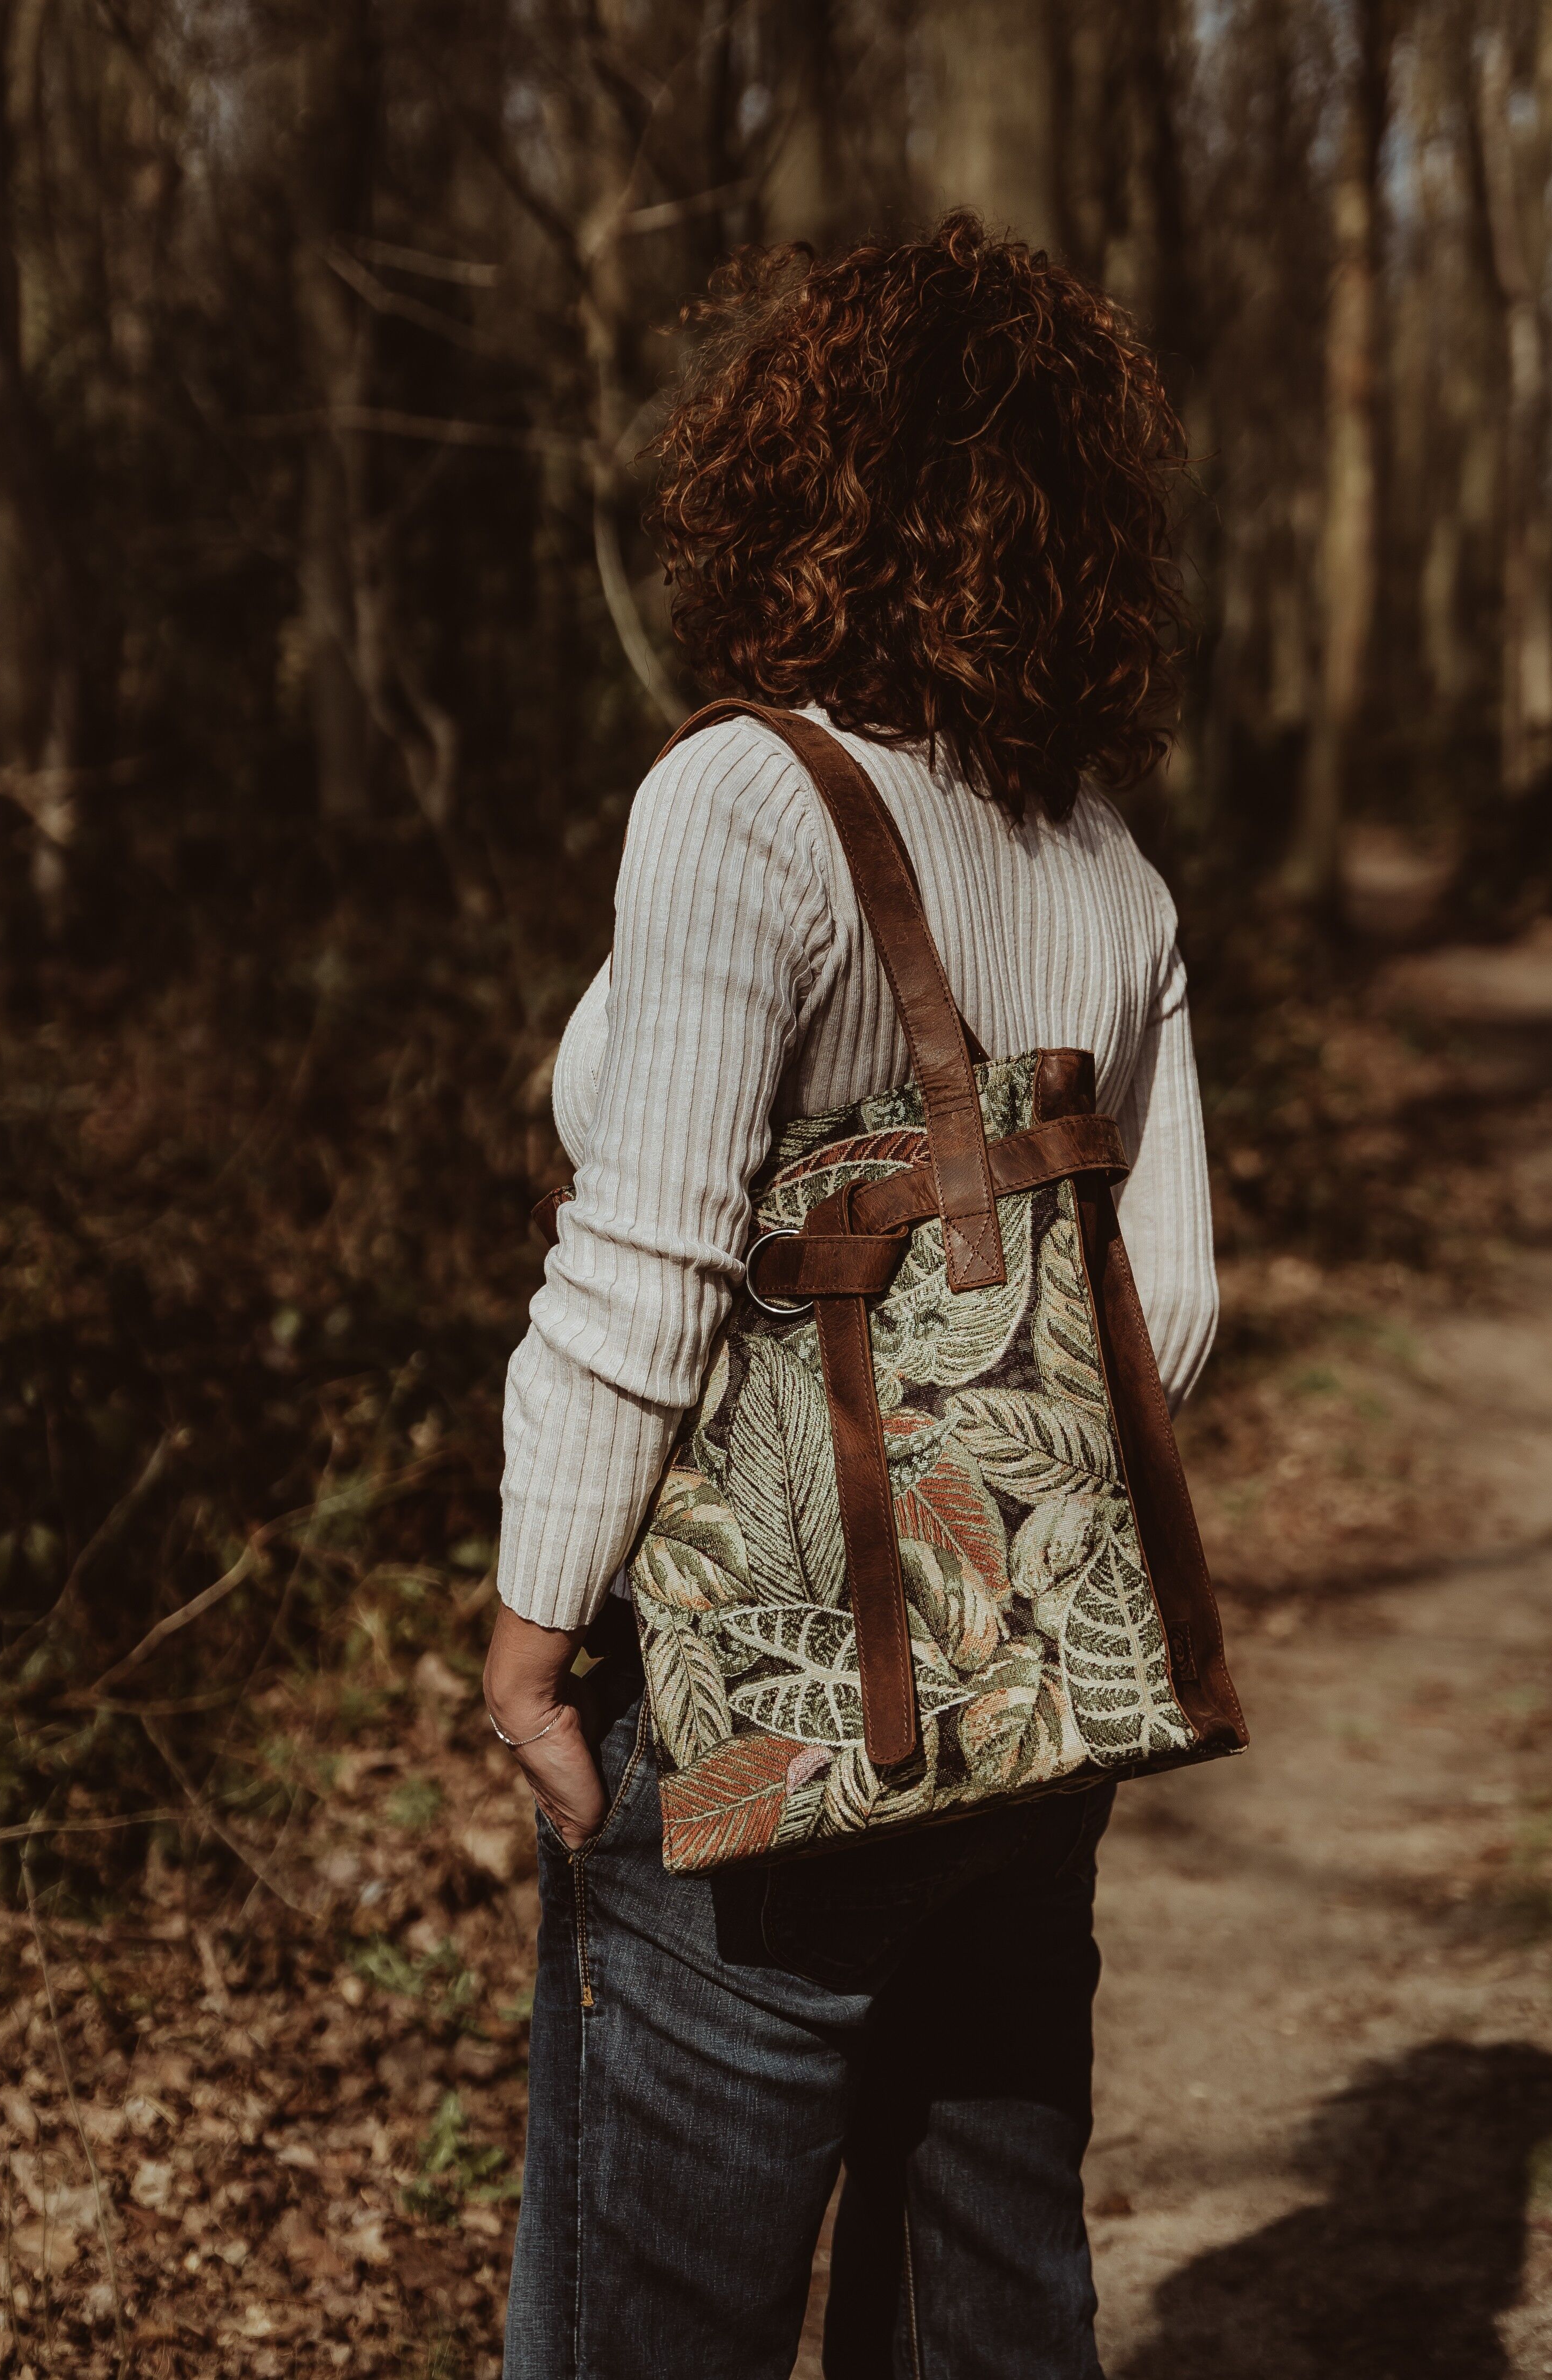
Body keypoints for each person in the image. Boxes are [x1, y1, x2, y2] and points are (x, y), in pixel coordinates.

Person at [483, 211, 1219, 2380]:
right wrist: (983, 1555)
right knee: (992, 2303)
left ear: (794, 481)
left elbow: (642, 1267)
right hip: (1032, 1701)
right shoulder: (1111, 862)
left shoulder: (744, 798)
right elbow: (1165, 1311)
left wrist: (540, 1630)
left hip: (759, 1711)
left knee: (656, 2321)